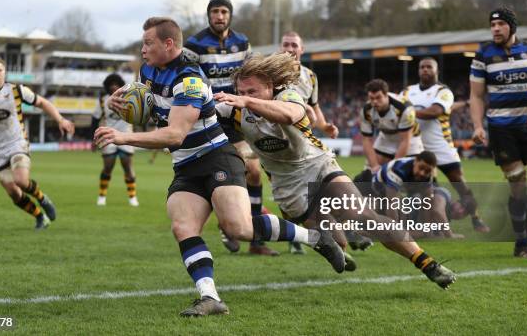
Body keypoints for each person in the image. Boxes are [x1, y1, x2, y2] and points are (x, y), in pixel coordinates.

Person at [94, 17, 346, 317]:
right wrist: (119, 103)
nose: (143, 48)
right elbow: (147, 107)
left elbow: (175, 133)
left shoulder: (189, 79)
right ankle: (209, 297)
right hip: (185, 165)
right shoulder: (147, 69)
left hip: (216, 157)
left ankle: (316, 238)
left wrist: (124, 136)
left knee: (238, 228)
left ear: (169, 44)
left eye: (148, 43)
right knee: (182, 226)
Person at [215, 53, 456, 290]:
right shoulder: (234, 111)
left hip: (317, 165)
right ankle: (332, 245)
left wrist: (247, 102)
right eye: (241, 92)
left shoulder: (288, 95)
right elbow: (199, 116)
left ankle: (428, 264)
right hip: (287, 184)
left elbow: (290, 115)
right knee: (332, 239)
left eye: (252, 91)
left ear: (269, 87)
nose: (244, 97)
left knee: (362, 217)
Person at [183, 0, 275, 256]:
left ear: (230, 15)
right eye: (215, 12)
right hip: (207, 118)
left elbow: (252, 74)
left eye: (224, 11)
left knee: (254, 172)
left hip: (235, 116)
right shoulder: (195, 44)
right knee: (216, 174)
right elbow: (187, 78)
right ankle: (228, 224)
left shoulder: (242, 43)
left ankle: (256, 239)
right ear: (208, 15)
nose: (219, 16)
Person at [470, 6, 527, 259]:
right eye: (492, 25)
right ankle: (522, 246)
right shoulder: (483, 54)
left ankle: (521, 208)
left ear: (511, 26)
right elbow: (476, 96)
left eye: (500, 24)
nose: (495, 29)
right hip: (501, 130)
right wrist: (477, 125)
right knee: (517, 183)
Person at [0, 57, 75, 229]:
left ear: (4, 72)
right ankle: (40, 217)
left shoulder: (17, 90)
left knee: (20, 180)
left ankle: (42, 198)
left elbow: (43, 102)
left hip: (17, 142)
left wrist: (60, 119)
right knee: (14, 193)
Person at [401, 57, 490, 233]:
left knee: (460, 184)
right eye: (422, 67)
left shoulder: (443, 91)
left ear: (436, 71)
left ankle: (476, 219)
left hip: (442, 147)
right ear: (418, 71)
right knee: (418, 189)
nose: (425, 70)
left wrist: (408, 111)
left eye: (429, 67)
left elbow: (436, 111)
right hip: (417, 148)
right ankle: (424, 225)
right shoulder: (407, 91)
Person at [279, 30, 344, 254]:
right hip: (278, 143)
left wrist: (325, 126)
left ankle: (335, 235)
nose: (289, 49)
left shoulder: (310, 76)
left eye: (294, 45)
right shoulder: (272, 73)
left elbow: (314, 107)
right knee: (288, 195)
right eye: (286, 44)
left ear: (301, 49)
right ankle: (296, 236)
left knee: (320, 188)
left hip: (305, 141)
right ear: (280, 47)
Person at [370, 152, 464, 239]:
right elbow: (392, 204)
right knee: (390, 212)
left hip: (404, 188)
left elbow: (427, 204)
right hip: (378, 188)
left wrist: (426, 230)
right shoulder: (398, 170)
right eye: (421, 168)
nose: (423, 173)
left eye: (427, 171)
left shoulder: (427, 176)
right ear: (415, 161)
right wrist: (395, 232)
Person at [91, 73, 139, 207]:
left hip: (126, 137)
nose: (113, 86)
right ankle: (102, 196)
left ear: (120, 85)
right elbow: (94, 119)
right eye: (111, 84)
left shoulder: (129, 98)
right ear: (107, 86)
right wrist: (93, 139)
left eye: (116, 84)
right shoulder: (103, 100)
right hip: (109, 138)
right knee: (107, 168)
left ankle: (132, 197)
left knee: (128, 167)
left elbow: (139, 114)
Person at [360, 79, 424, 172]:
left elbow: (405, 140)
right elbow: (366, 140)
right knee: (368, 173)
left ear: (386, 95)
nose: (374, 102)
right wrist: (374, 166)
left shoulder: (404, 108)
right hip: (386, 137)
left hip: (411, 139)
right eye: (371, 98)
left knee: (410, 173)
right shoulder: (366, 110)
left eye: (378, 97)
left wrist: (393, 168)